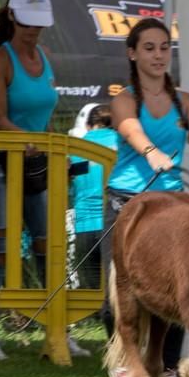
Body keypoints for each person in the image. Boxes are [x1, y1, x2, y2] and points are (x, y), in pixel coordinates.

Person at [101, 17, 189, 377]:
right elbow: (131, 129)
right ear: (132, 54)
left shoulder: (186, 101)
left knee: (183, 289)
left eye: (164, 48)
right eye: (149, 48)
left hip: (172, 206)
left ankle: (167, 367)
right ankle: (127, 359)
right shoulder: (124, 100)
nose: (158, 55)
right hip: (128, 199)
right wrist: (151, 152)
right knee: (119, 292)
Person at [0, 0, 62, 360]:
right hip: (0, 164)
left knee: (47, 245)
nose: (33, 29)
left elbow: (43, 114)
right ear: (12, 16)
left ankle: (57, 330)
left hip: (36, 164)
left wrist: (46, 145)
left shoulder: (44, 56)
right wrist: (28, 139)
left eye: (38, 23)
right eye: (27, 21)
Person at [69, 104, 117, 290]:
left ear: (88, 126)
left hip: (84, 225)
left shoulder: (75, 149)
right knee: (115, 292)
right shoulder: (123, 146)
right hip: (114, 225)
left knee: (90, 292)